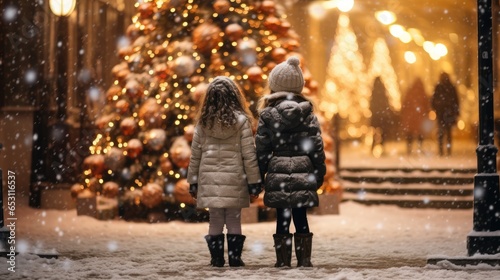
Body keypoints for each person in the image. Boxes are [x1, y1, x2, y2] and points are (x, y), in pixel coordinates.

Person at [255, 57, 326, 268]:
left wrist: (259, 176)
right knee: (301, 215)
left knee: (282, 217)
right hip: (304, 170)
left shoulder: (267, 115)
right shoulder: (308, 114)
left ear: (274, 85)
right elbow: (316, 147)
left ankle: (283, 261)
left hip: (278, 171)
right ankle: (304, 260)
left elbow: (262, 150)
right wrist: (318, 174)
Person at [186, 76, 262, 268]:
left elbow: (195, 155)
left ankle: (217, 258)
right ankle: (235, 258)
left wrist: (193, 181)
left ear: (209, 98)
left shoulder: (203, 123)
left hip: (209, 179)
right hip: (235, 178)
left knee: (215, 219)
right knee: (234, 219)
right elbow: (249, 155)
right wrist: (254, 182)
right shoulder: (242, 121)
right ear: (235, 97)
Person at [431, 72, 460, 156]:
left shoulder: (439, 87)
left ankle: (441, 150)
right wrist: (456, 112)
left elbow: (433, 99)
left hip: (441, 112)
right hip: (449, 113)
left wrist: (435, 107)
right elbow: (456, 101)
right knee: (448, 132)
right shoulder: (451, 87)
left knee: (441, 132)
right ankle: (448, 150)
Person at [400, 77, 431, 155]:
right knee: (420, 134)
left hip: (411, 117)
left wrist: (404, 113)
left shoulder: (410, 91)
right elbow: (426, 104)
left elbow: (405, 104)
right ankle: (419, 147)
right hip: (420, 117)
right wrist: (427, 113)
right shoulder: (422, 92)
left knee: (410, 133)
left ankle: (409, 149)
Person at [369, 76, 393, 155]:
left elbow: (372, 103)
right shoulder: (382, 91)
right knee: (383, 132)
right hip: (382, 115)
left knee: (375, 132)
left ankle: (373, 147)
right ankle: (382, 146)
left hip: (376, 115)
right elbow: (386, 103)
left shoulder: (374, 91)